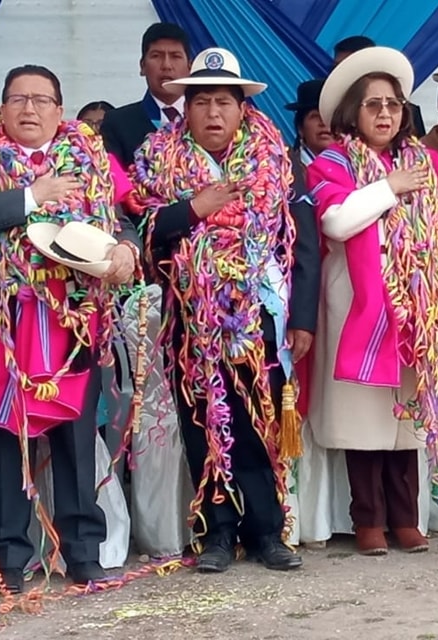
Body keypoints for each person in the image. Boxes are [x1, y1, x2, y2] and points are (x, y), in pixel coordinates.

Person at [0, 65, 139, 594]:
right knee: (2, 440)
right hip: (2, 321)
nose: (29, 109)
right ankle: (8, 558)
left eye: (41, 100)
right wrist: (33, 195)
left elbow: (126, 217)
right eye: (18, 99)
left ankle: (83, 553)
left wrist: (127, 248)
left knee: (76, 437)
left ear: (59, 108)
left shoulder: (92, 157)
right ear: (1, 109)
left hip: (73, 317)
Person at [129, 48, 318, 572]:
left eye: (224, 102)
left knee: (258, 422)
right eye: (203, 102)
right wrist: (194, 209)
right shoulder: (155, 160)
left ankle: (267, 532)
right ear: (185, 109)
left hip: (260, 315)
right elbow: (143, 234)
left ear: (243, 109)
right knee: (203, 421)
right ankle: (216, 533)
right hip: (191, 319)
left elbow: (303, 246)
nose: (214, 113)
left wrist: (302, 317)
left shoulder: (277, 160)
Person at [307, 46, 438, 555]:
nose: (384, 114)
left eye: (392, 105)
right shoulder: (333, 162)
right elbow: (335, 221)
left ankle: (406, 517)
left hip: (415, 305)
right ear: (353, 113)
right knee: (364, 417)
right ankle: (368, 520)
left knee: (405, 414)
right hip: (359, 304)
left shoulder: (423, 162)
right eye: (373, 104)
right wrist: (388, 188)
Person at [101, 22, 192, 167]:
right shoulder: (117, 123)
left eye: (175, 56)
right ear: (142, 66)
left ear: (190, 67)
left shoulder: (204, 119)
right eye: (157, 56)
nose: (166, 65)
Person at [334, 35, 427, 133]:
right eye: (335, 68)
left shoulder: (408, 111)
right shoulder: (327, 108)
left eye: (347, 68)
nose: (384, 113)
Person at [284, 79, 332, 191]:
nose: (323, 123)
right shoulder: (286, 170)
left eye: (329, 116)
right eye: (315, 116)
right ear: (301, 128)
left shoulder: (356, 168)